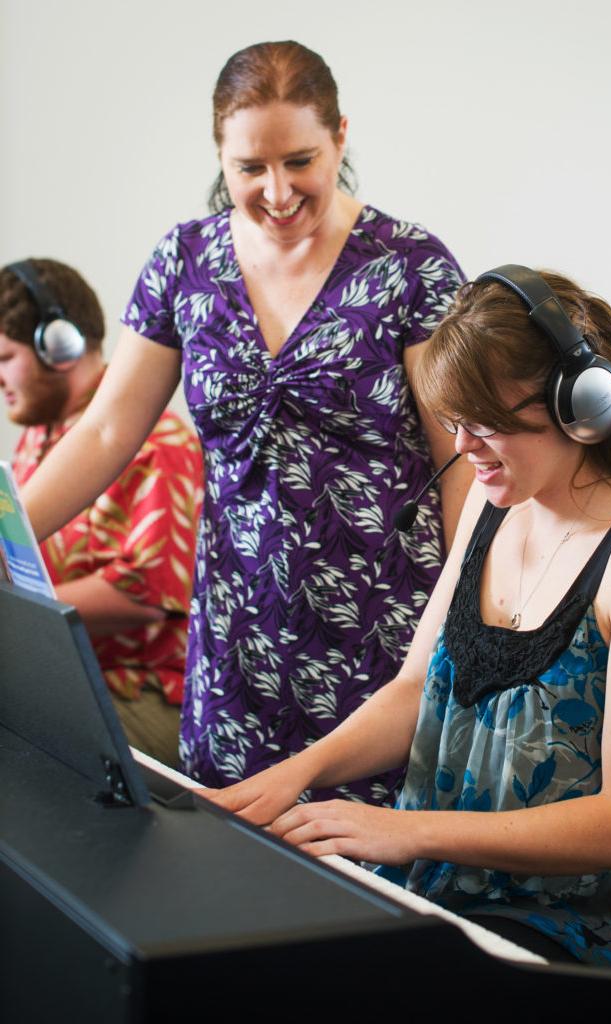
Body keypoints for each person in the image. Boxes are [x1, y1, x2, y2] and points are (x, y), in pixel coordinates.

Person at [205, 267, 611, 1005]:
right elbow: (417, 688)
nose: (465, 446)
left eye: (487, 422)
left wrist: (407, 833)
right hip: (447, 894)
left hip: (577, 933)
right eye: (455, 422)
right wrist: (294, 774)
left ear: (583, 405)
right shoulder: (494, 501)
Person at [20, 42, 472, 796]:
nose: (277, 190)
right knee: (231, 872)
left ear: (341, 137)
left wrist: (463, 626)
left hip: (386, 637)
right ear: (219, 156)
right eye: (249, 169)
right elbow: (103, 432)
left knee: (368, 882)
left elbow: (464, 466)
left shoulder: (409, 266)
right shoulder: (183, 262)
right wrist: (10, 531)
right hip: (237, 638)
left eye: (300, 160)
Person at [0, 258, 202, 766]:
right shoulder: (34, 443)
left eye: (5, 358)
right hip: (69, 678)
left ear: (59, 346)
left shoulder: (160, 443)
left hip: (147, 691)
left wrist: (22, 615)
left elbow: (145, 597)